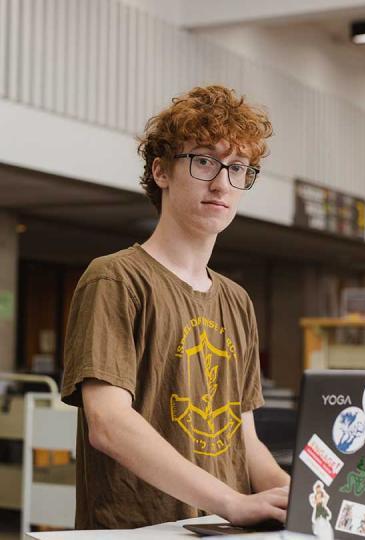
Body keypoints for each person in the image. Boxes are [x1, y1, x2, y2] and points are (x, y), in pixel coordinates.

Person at [61, 85, 290, 530]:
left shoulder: (236, 300)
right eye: (203, 161)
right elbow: (108, 423)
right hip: (139, 531)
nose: (222, 183)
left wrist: (303, 496)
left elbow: (243, 438)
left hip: (220, 529)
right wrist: (232, 502)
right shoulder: (116, 279)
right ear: (161, 171)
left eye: (238, 168)